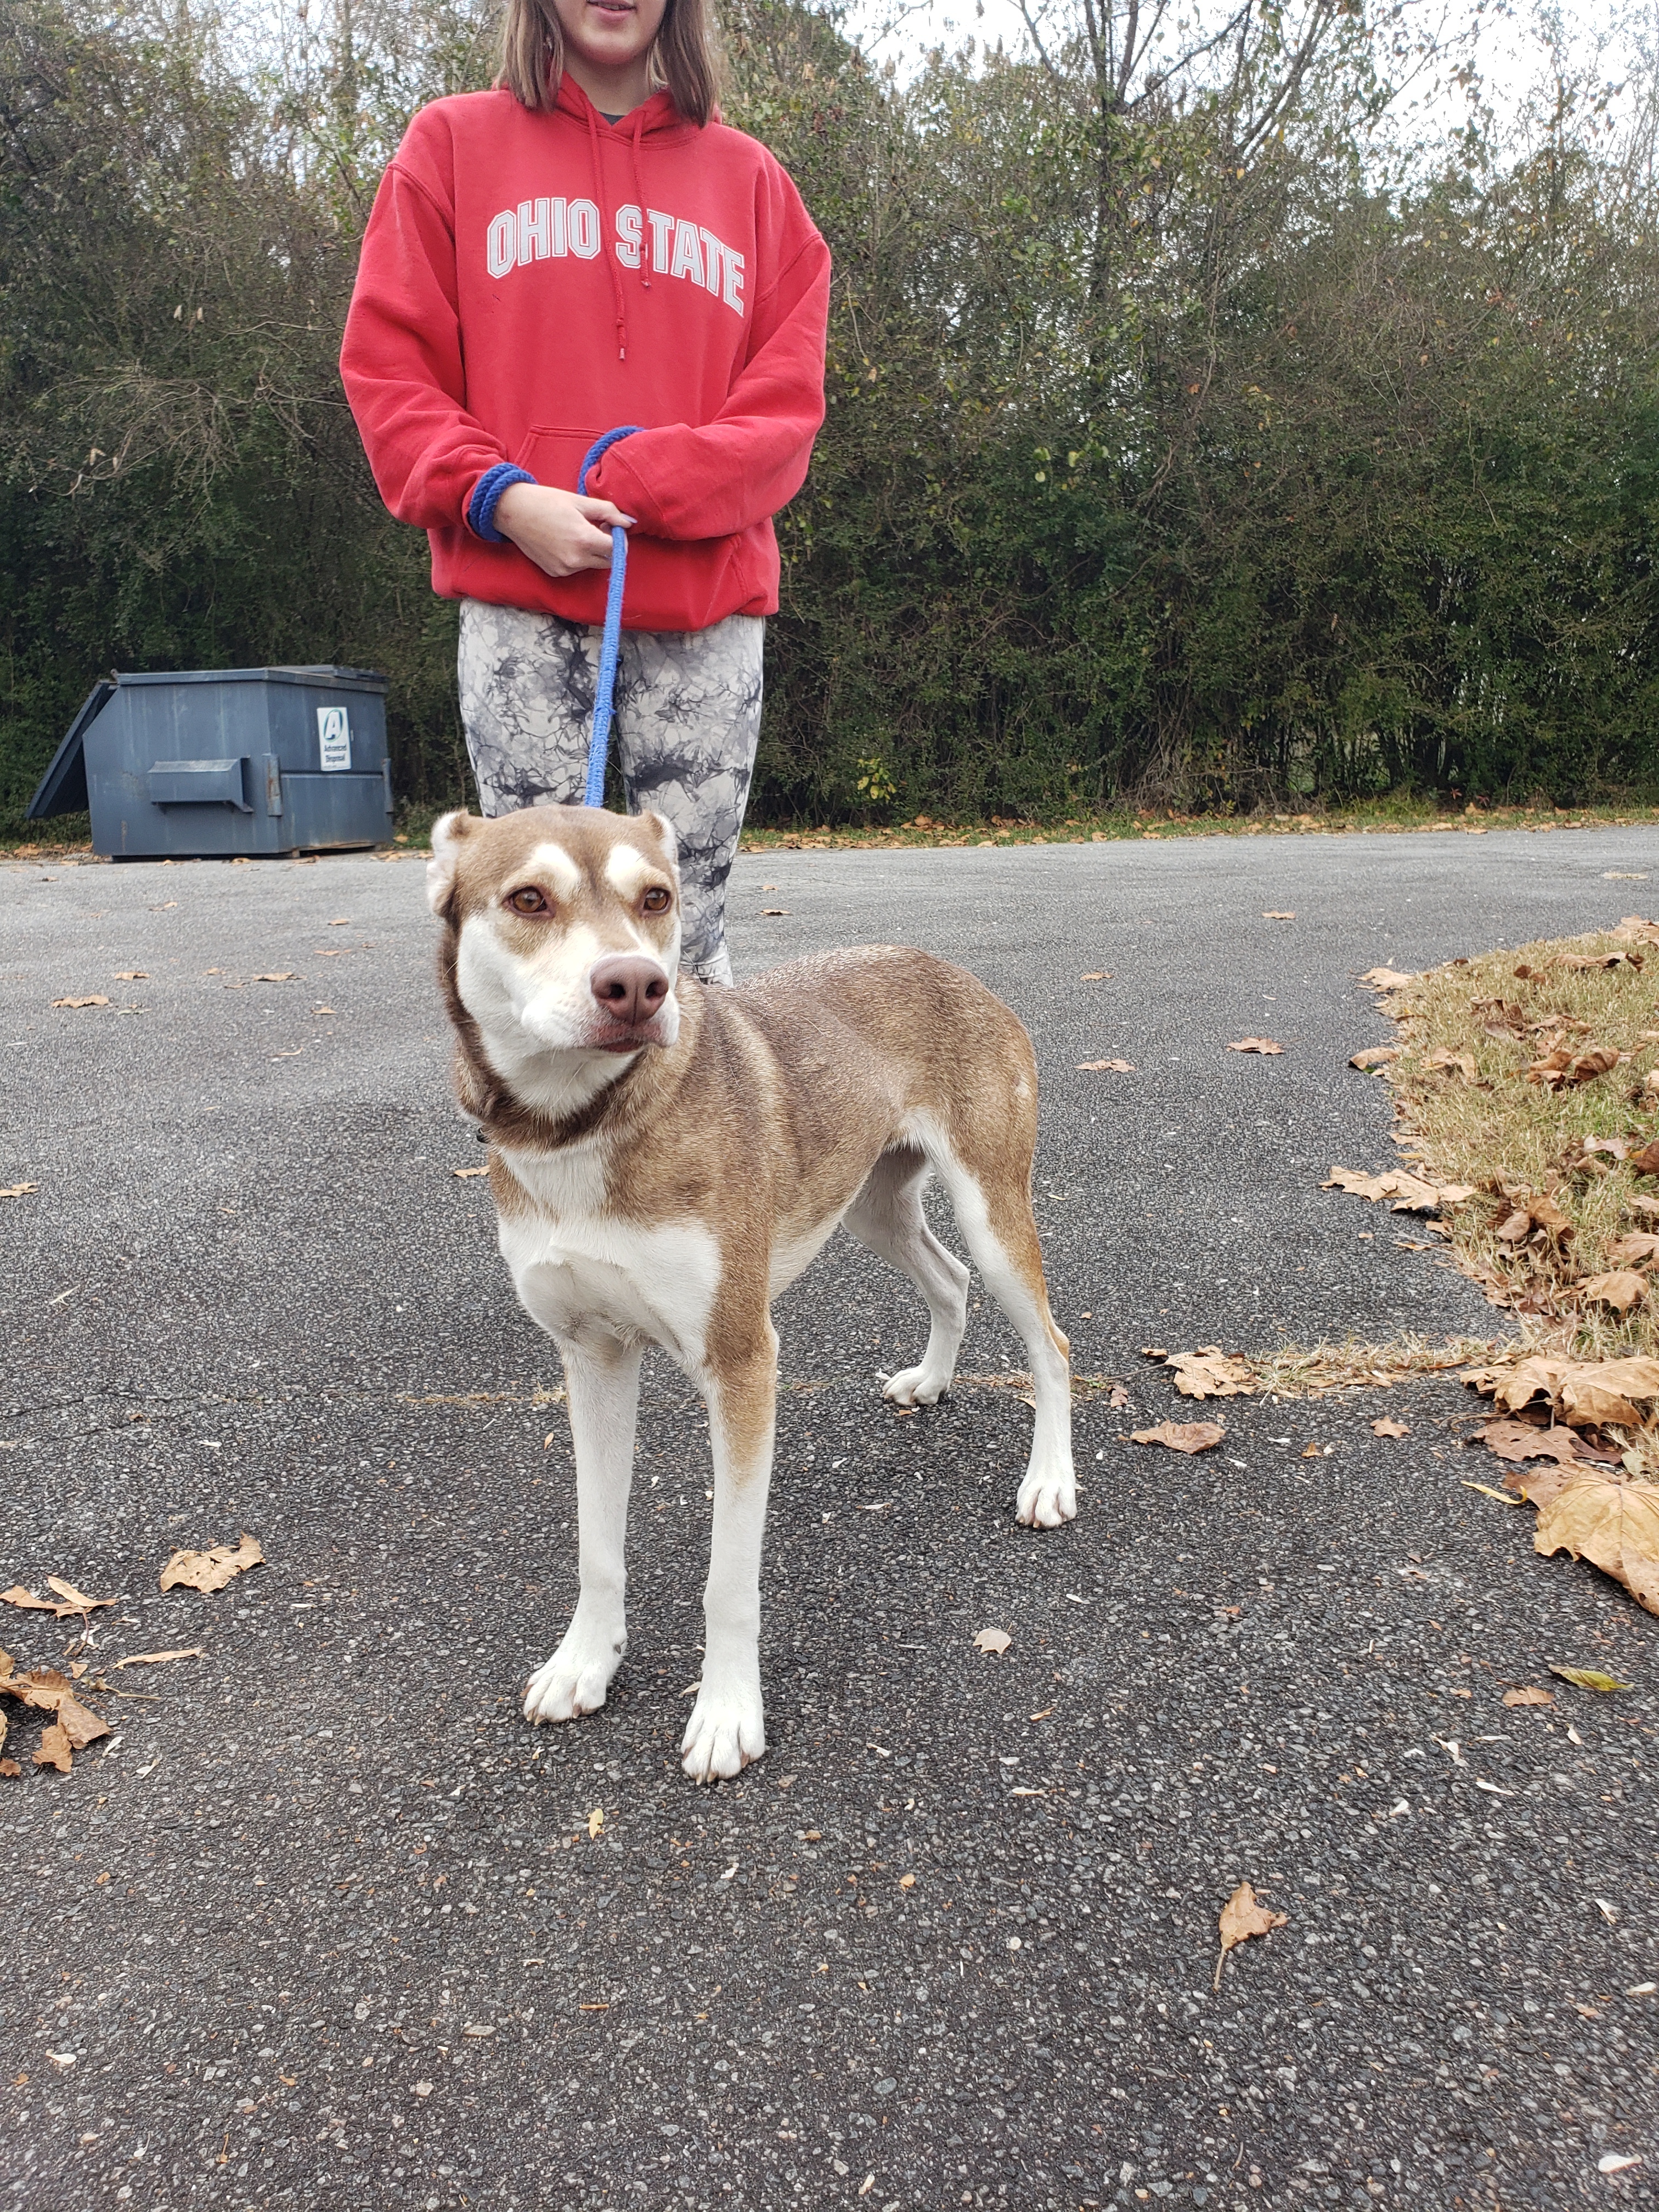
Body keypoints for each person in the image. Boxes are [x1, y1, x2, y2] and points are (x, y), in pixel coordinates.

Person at [340, 0, 830, 983]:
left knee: (682, 940)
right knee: (538, 936)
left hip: (703, 608)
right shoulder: (450, 147)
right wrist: (504, 499)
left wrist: (650, 480)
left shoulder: (754, 184)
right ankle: (542, 1142)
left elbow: (786, 411)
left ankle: (705, 1143)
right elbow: (390, 371)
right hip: (523, 602)